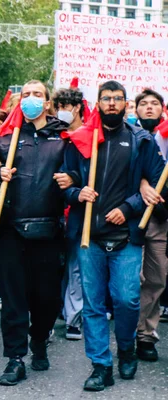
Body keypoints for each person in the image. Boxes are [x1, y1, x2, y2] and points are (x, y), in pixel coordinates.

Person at [62, 80, 164, 391]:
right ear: (98, 102)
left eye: (117, 99)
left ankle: (127, 349)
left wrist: (130, 206)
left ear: (125, 105)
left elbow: (160, 183)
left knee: (127, 300)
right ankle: (100, 365)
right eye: (106, 98)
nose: (111, 104)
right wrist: (78, 192)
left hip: (126, 237)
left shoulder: (141, 140)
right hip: (89, 237)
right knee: (93, 305)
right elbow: (66, 185)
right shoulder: (80, 140)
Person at [0, 80, 70, 386]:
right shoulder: (3, 138)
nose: (31, 100)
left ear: (47, 103)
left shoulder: (64, 138)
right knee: (14, 298)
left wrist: (71, 180)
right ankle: (15, 358)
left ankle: (40, 339)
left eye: (37, 95)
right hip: (10, 230)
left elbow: (79, 174)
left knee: (47, 299)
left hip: (48, 231)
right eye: (26, 95)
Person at [134, 88, 168, 362]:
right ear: (135, 110)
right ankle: (128, 333)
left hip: (160, 219)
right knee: (131, 281)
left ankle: (146, 335)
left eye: (154, 103)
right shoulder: (130, 138)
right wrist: (143, 185)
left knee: (156, 280)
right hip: (133, 218)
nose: (148, 108)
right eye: (143, 104)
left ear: (162, 109)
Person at [52, 87, 86, 341]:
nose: (62, 111)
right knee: (52, 267)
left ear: (77, 107)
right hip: (51, 208)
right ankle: (49, 316)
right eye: (58, 106)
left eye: (66, 106)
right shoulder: (52, 134)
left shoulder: (91, 137)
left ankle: (74, 317)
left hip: (78, 210)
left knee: (76, 266)